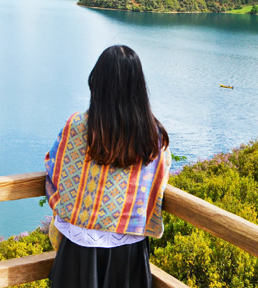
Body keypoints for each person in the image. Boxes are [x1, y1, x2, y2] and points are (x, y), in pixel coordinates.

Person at [45, 45, 172, 288]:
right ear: (138, 87)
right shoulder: (153, 136)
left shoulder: (78, 126)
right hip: (129, 246)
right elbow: (158, 179)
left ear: (97, 82)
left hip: (78, 246)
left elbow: (55, 166)